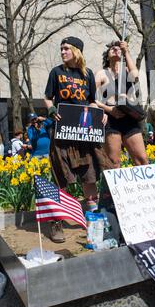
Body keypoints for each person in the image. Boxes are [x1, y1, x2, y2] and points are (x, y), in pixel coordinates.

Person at [44, 36, 110, 243]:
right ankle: (56, 223)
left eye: (66, 48)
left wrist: (100, 113)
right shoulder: (56, 72)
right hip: (62, 131)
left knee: (89, 176)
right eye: (61, 48)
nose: (62, 52)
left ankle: (94, 225)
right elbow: (47, 97)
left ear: (76, 51)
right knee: (60, 177)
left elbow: (91, 101)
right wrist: (51, 109)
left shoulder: (87, 74)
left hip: (83, 133)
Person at [95, 40, 148, 169]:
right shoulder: (101, 74)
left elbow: (135, 75)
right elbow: (92, 98)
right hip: (111, 119)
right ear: (107, 56)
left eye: (118, 48)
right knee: (114, 162)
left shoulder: (127, 70)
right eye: (112, 48)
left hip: (129, 118)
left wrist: (126, 51)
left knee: (141, 159)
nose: (115, 50)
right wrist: (109, 109)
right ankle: (113, 189)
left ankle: (144, 187)